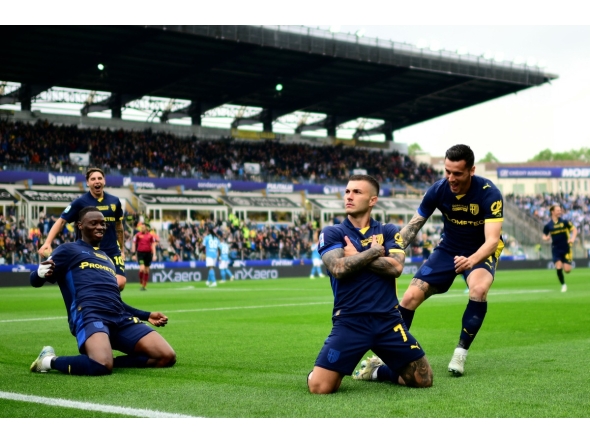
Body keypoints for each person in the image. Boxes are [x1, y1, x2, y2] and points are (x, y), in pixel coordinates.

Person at [307, 174, 433, 394]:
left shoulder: (388, 231)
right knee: (320, 388)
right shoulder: (333, 232)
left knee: (422, 379)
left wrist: (358, 256)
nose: (349, 196)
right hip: (350, 321)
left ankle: (377, 371)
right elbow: (337, 268)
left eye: (357, 192)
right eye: (347, 191)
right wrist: (374, 252)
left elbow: (396, 268)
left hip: (388, 321)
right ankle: (324, 371)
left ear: (372, 200)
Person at [394, 144, 504, 377]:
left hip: (480, 249)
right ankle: (393, 353)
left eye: (457, 173)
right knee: (410, 296)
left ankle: (460, 353)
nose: (451, 178)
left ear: (471, 170)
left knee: (479, 289)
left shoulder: (489, 193)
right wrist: (394, 251)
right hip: (449, 249)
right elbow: (414, 226)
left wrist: (471, 260)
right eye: (447, 172)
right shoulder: (438, 190)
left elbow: (492, 241)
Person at [29, 206, 176, 376]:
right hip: (90, 314)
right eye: (94, 223)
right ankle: (48, 361)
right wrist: (39, 274)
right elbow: (35, 280)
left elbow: (114, 301)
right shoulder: (67, 250)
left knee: (166, 356)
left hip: (119, 317)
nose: (100, 227)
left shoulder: (107, 259)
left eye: (103, 223)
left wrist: (146, 315)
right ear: (80, 226)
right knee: (101, 366)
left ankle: (102, 360)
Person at [38, 167, 127, 291]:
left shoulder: (115, 201)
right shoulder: (80, 202)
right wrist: (47, 242)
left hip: (112, 250)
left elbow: (119, 226)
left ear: (104, 181)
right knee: (96, 283)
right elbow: (61, 221)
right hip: (89, 251)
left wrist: (122, 249)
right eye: (93, 179)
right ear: (88, 183)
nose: (97, 181)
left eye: (100, 178)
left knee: (120, 283)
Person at [542, 204, 577, 292]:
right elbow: (544, 235)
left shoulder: (564, 222)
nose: (559, 212)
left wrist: (572, 239)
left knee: (567, 270)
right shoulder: (548, 225)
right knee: (558, 266)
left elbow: (574, 230)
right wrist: (546, 238)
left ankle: (564, 279)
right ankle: (563, 285)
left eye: (560, 210)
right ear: (552, 212)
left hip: (566, 248)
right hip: (556, 249)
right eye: (557, 210)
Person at [131, 223, 158, 291]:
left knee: (146, 270)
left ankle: (144, 285)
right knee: (142, 269)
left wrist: (154, 254)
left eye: (143, 227)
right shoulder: (137, 235)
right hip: (140, 253)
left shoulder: (150, 236)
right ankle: (141, 282)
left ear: (146, 228)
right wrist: (133, 254)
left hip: (148, 254)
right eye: (141, 227)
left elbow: (153, 245)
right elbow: (134, 244)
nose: (141, 228)